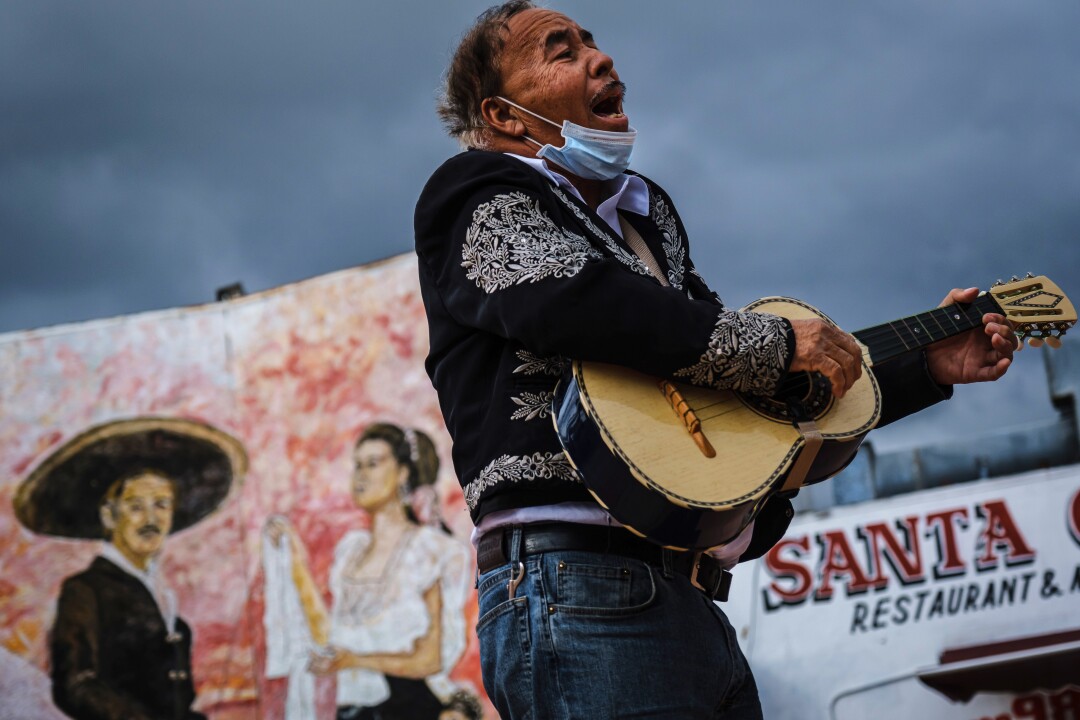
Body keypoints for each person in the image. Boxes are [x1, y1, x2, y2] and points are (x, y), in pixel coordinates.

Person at [413, 3, 1018, 718]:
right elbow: (574, 303)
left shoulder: (647, 216)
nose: (600, 59)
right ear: (505, 116)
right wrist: (778, 344)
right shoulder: (474, 191)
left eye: (593, 42)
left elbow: (748, 403)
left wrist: (926, 367)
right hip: (571, 587)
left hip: (687, 595)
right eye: (561, 50)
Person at [14, 417, 245, 720]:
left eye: (161, 505)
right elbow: (76, 685)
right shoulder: (85, 590)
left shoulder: (164, 598)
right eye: (136, 506)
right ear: (110, 516)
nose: (151, 519)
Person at [263, 423, 471, 720]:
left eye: (373, 464)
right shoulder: (351, 550)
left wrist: (354, 660)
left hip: (407, 707)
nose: (360, 475)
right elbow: (327, 636)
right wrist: (294, 560)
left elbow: (430, 658)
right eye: (357, 465)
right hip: (352, 709)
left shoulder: (431, 550)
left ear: (403, 473)